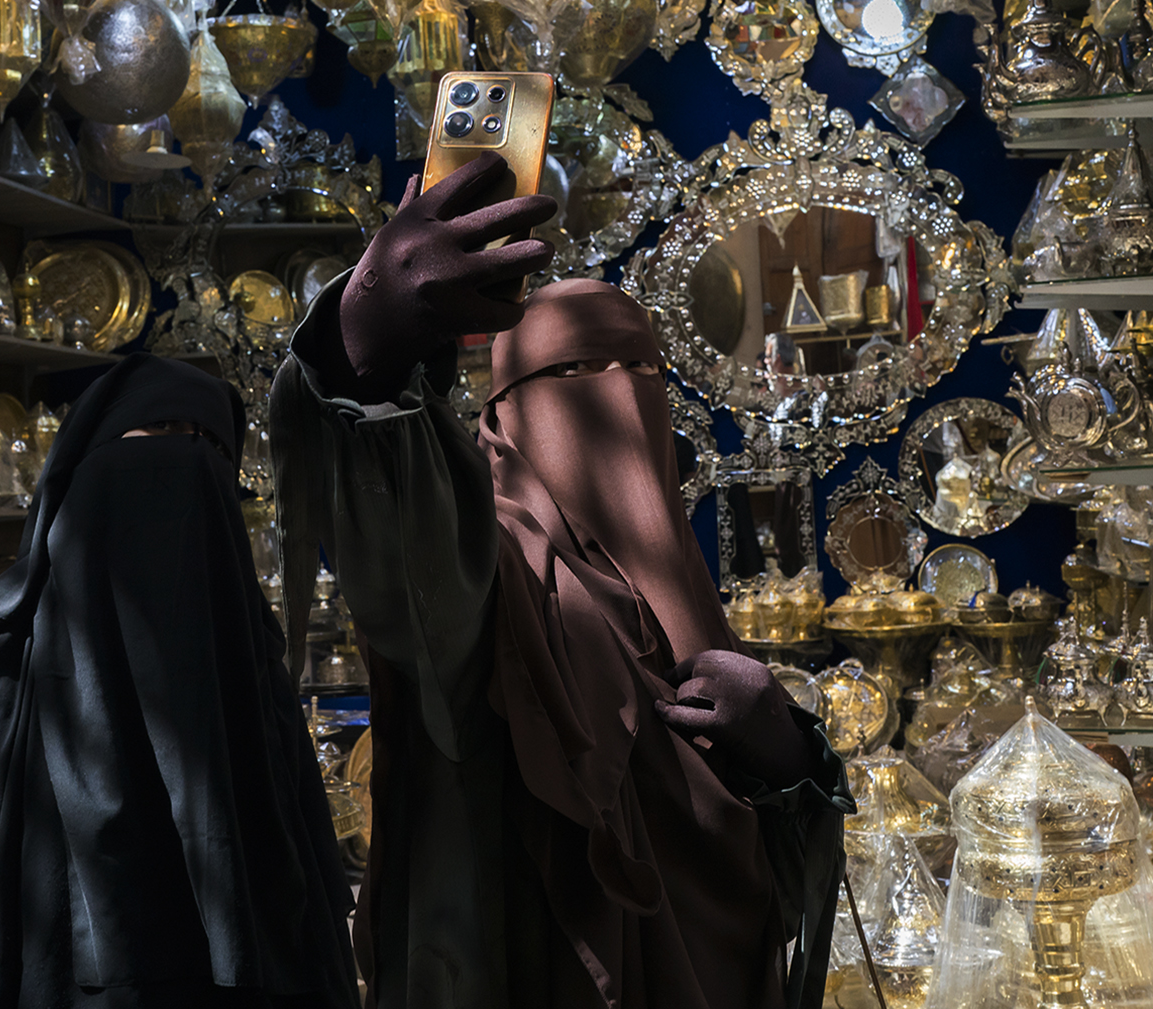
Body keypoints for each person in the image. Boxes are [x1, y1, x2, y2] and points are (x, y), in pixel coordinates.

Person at [272, 153, 852, 1009]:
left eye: (639, 372)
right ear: (504, 411)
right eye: (568, 377)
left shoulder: (673, 586)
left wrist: (787, 753)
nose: (615, 395)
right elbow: (406, 555)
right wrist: (366, 353)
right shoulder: (493, 556)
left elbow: (773, 876)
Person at [0, 355, 360, 1009]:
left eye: (210, 447)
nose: (185, 461)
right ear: (87, 465)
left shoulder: (254, 681)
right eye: (160, 431)